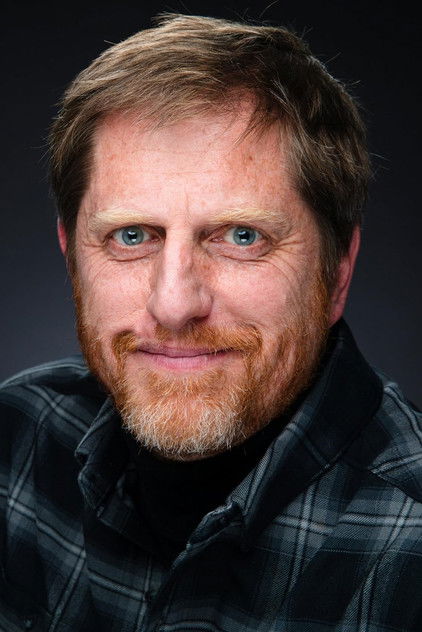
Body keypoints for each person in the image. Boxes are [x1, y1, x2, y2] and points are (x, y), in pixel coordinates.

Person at [1, 13, 420, 632]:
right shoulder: (18, 438)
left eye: (242, 236)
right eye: (131, 236)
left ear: (337, 271)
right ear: (72, 257)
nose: (174, 305)